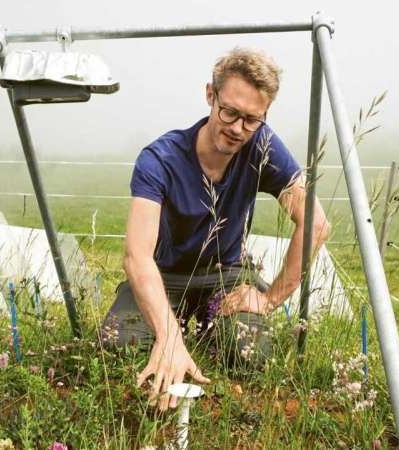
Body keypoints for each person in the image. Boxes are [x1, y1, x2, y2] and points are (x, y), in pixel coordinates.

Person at [101, 47, 330, 411]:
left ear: (264, 115)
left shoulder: (264, 146)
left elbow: (316, 224)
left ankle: (208, 335)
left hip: (227, 276)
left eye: (251, 119)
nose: (238, 128)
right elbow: (137, 256)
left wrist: (271, 299)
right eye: (229, 112)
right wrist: (169, 334)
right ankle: (177, 331)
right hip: (165, 275)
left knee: (251, 356)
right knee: (117, 346)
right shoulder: (159, 159)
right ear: (211, 95)